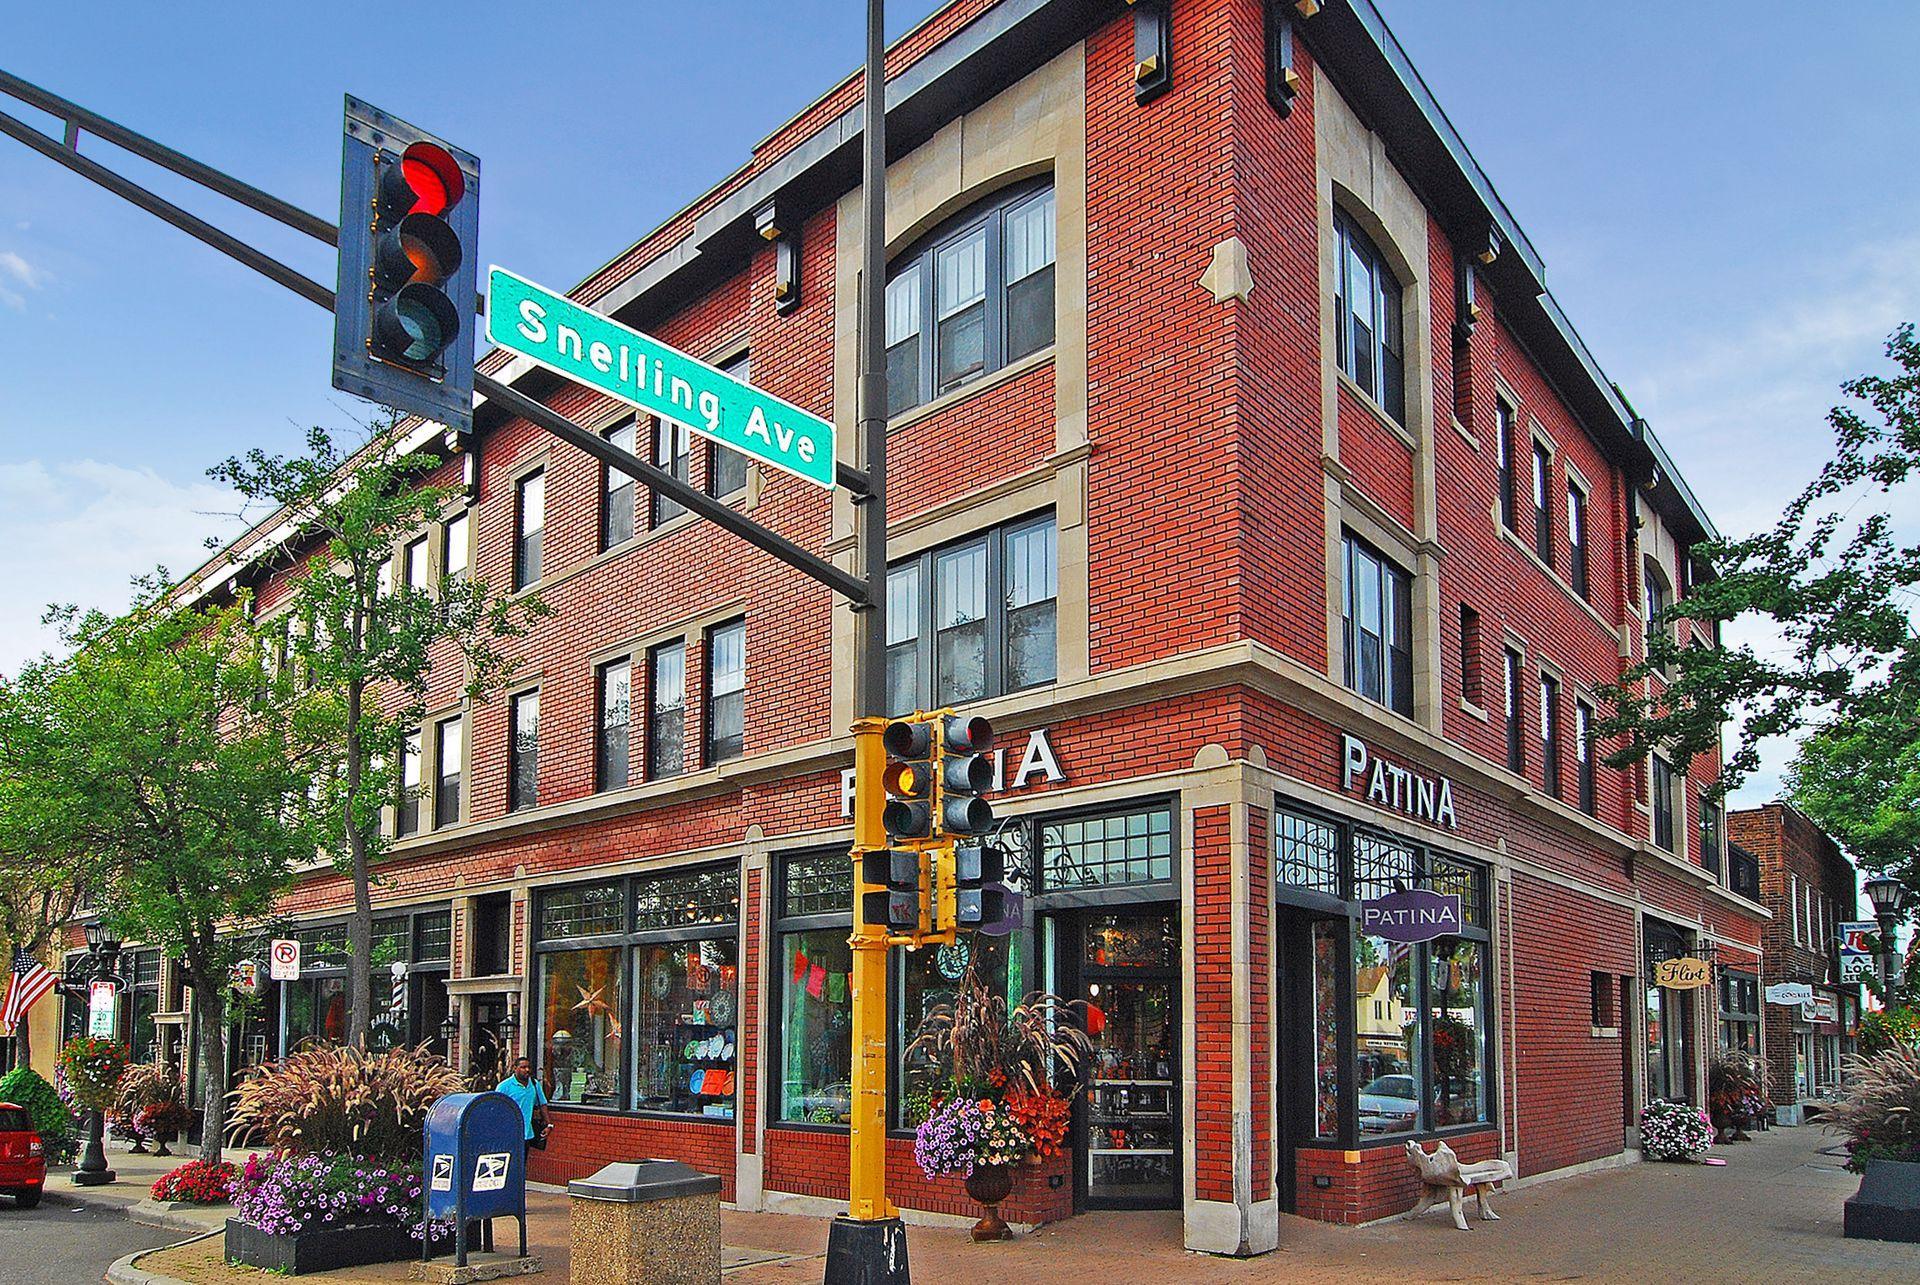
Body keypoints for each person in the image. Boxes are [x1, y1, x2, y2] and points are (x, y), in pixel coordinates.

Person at [495, 1056, 549, 1157]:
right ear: (515, 1068)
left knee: (522, 1162)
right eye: (523, 1067)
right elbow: (496, 1110)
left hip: (527, 1134)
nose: (527, 1070)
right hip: (509, 1135)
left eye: (528, 1067)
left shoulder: (534, 1084)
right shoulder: (504, 1086)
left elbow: (542, 1104)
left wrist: (548, 1124)